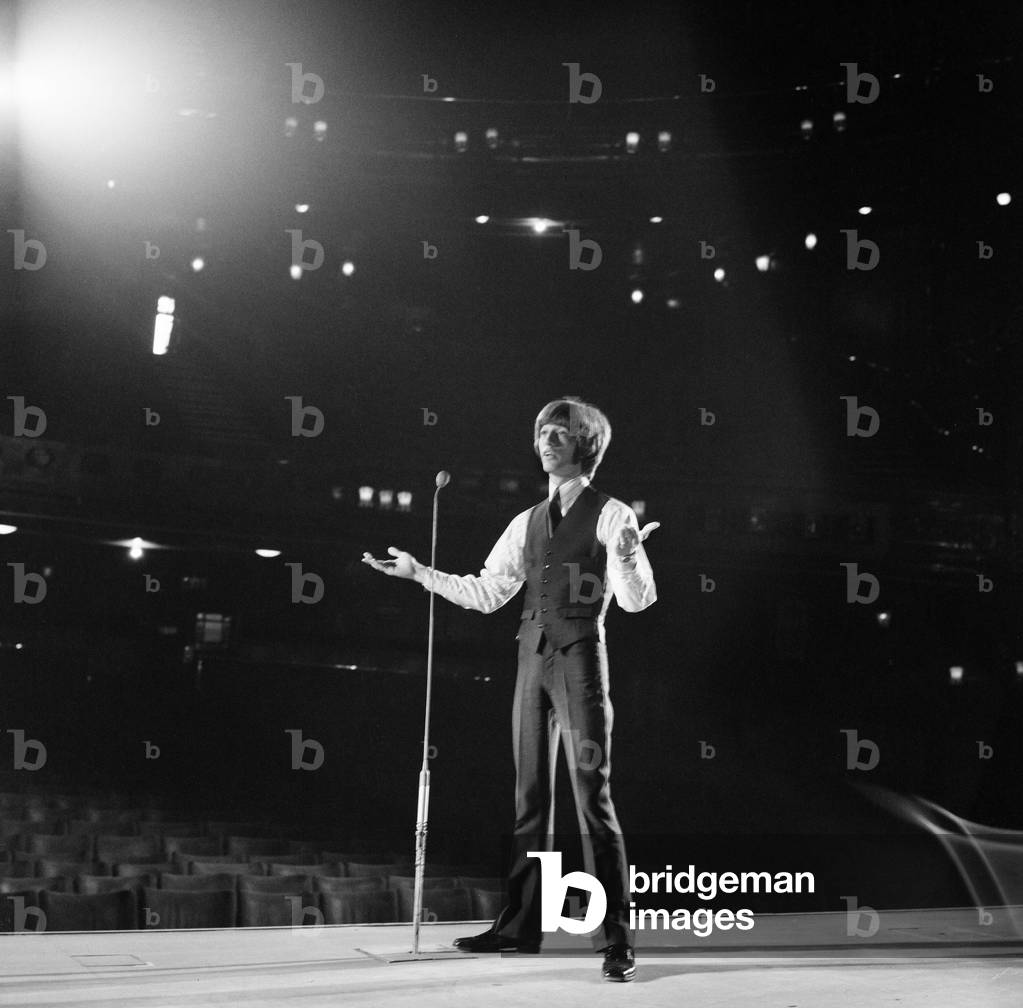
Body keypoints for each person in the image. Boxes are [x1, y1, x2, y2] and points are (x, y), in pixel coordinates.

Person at [362, 396, 657, 982]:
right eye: (543, 432)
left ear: (586, 445)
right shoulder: (526, 521)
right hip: (531, 658)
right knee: (529, 799)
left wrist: (627, 556)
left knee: (591, 797)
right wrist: (421, 575)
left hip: (580, 658)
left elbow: (637, 600)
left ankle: (617, 939)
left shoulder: (612, 514)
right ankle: (521, 925)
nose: (547, 441)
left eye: (561, 433)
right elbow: (488, 591)